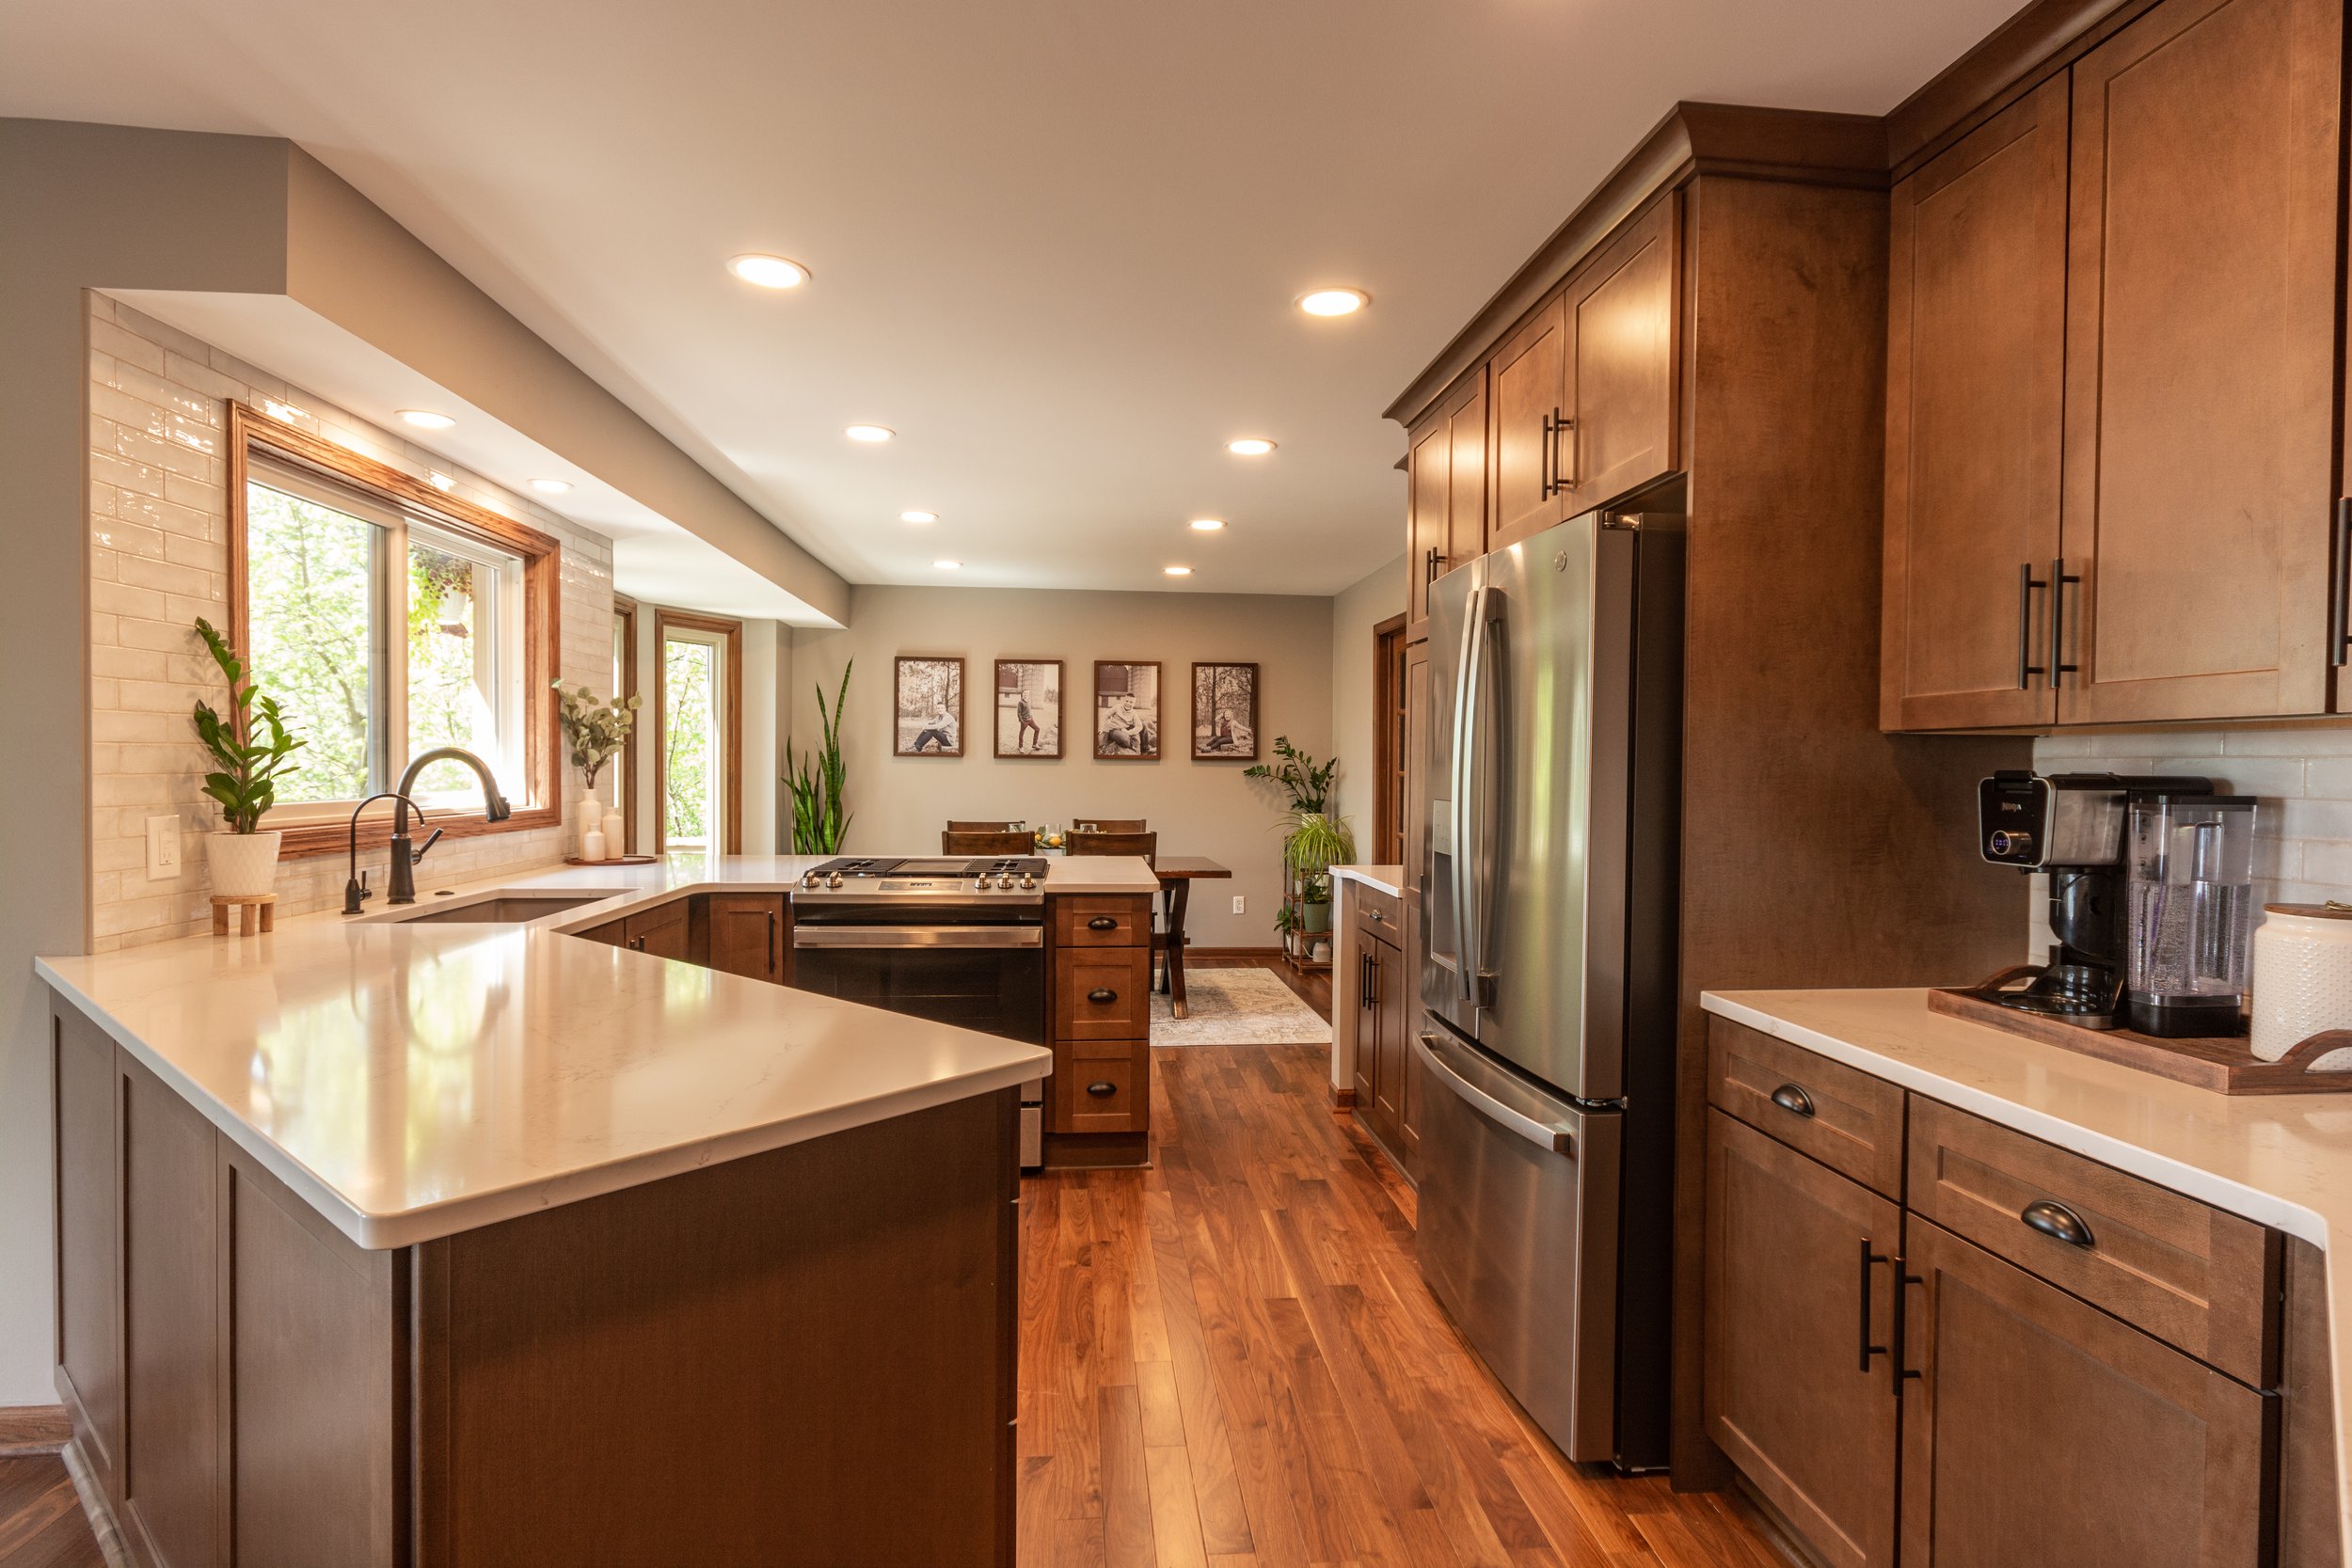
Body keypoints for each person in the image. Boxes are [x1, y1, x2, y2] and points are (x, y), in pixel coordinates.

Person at [1015, 689, 1041, 753]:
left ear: (1029, 695)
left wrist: (1031, 717)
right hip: (1024, 721)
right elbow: (1019, 713)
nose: (1026, 694)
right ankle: (1021, 747)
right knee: (1022, 733)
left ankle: (1034, 744)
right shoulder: (1020, 702)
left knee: (1037, 729)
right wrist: (1021, 721)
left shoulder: (1028, 701)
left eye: (1027, 693)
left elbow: (1029, 710)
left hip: (1030, 720)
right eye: (1025, 693)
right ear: (1022, 694)